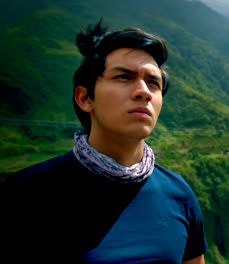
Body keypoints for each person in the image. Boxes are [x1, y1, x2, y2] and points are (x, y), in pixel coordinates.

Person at [0, 20, 208, 263]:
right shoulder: (24, 195)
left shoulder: (179, 194)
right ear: (85, 98)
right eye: (123, 77)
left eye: (154, 83)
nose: (144, 91)